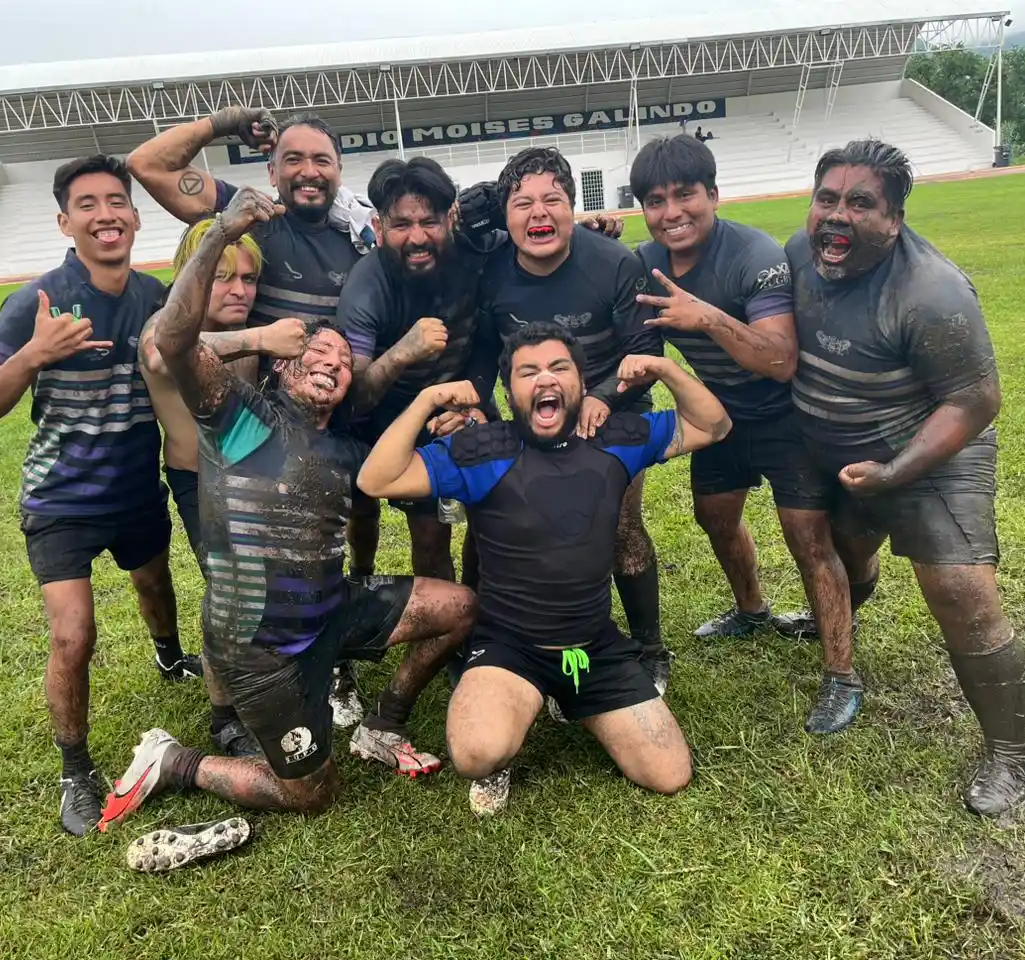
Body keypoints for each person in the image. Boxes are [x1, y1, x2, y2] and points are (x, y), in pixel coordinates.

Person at [97, 186, 476, 829]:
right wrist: (221, 232)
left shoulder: (347, 449)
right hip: (262, 648)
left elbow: (407, 468)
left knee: (461, 606)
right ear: (278, 368)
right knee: (309, 793)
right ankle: (175, 761)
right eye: (314, 353)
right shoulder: (240, 419)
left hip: (333, 610)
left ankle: (383, 722)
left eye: (342, 361)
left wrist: (448, 424)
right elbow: (174, 338)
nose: (330, 363)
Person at [357, 323, 731, 814]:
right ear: (509, 392)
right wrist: (427, 399)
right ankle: (513, 724)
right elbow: (376, 478)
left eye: (559, 368)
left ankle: (571, 698)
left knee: (669, 774)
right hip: (510, 647)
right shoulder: (482, 450)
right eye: (527, 372)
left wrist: (664, 370)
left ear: (581, 382)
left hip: (593, 646)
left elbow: (713, 426)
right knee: (477, 753)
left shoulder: (614, 437)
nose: (545, 379)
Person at [785, 138, 1025, 815]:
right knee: (843, 553)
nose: (837, 215)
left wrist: (896, 471)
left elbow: (975, 400)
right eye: (827, 199)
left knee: (959, 591)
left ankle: (1010, 754)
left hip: (929, 453)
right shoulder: (799, 255)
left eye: (860, 204)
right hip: (846, 454)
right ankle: (836, 625)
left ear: (893, 220)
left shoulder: (931, 292)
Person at [0, 155, 200, 837]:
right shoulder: (36, 302)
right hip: (61, 498)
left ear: (135, 216)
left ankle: (169, 655)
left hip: (136, 487)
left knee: (154, 582)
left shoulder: (155, 298)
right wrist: (33, 354)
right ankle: (76, 770)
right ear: (66, 223)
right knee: (74, 634)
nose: (105, 215)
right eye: (87, 204)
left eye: (116, 201)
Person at [128, 108, 372, 725]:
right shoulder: (251, 219)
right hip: (224, 456)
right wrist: (229, 121)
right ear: (270, 170)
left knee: (310, 566)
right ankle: (229, 716)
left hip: (297, 443)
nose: (308, 172)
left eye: (322, 160)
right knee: (234, 588)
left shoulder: (354, 232)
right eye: (293, 159)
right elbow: (146, 165)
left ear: (340, 170)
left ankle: (324, 665)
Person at [629, 135, 858, 734]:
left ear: (713, 194)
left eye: (685, 195)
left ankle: (841, 674)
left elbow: (781, 360)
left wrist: (705, 316)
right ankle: (752, 610)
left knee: (808, 538)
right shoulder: (644, 262)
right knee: (714, 517)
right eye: (656, 201)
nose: (672, 212)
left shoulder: (755, 255)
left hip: (786, 415)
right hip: (721, 417)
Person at [474, 147, 670, 696]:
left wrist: (601, 397)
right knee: (497, 524)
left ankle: (649, 647)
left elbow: (646, 350)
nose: (539, 213)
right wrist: (480, 408)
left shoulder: (614, 263)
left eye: (552, 200)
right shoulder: (490, 271)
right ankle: (491, 641)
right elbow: (480, 353)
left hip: (611, 410)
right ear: (506, 216)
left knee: (620, 526)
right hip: (531, 418)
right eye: (523, 203)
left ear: (573, 205)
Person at [139, 220, 308, 758]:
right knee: (230, 596)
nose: (240, 290)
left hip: (256, 482)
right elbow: (164, 350)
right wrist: (260, 338)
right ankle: (224, 718)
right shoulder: (165, 327)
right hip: (200, 484)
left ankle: (279, 679)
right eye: (223, 278)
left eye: (249, 279)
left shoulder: (248, 334)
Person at [337, 157, 503, 584]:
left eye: (429, 222)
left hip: (468, 398)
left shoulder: (477, 252)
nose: (417, 238)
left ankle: (480, 608)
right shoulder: (367, 286)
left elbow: (489, 338)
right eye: (401, 225)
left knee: (491, 518)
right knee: (429, 536)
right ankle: (437, 617)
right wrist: (401, 353)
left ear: (450, 219)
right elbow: (355, 398)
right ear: (378, 228)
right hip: (397, 416)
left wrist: (473, 400)